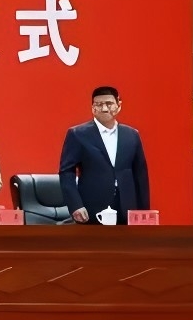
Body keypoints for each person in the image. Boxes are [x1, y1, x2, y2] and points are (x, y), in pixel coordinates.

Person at [58, 85, 150, 224]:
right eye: (99, 104)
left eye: (109, 103)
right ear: (92, 108)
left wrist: (144, 211)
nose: (105, 109)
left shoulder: (132, 135)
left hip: (127, 207)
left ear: (119, 105)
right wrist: (75, 205)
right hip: (91, 208)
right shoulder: (77, 134)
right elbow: (66, 172)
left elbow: (140, 174)